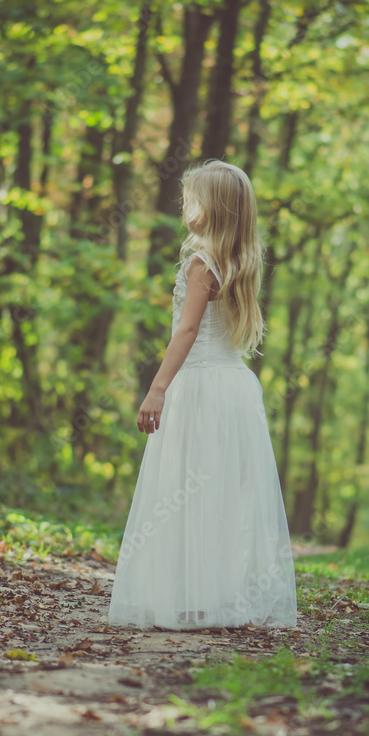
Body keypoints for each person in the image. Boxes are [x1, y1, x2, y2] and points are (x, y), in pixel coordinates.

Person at [107, 159, 297, 631]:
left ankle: (192, 599)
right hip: (233, 385)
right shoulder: (240, 263)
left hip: (199, 385)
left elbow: (188, 329)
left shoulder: (201, 263)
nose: (184, 204)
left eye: (192, 197)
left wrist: (157, 388)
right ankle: (218, 596)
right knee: (223, 494)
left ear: (211, 208)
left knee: (187, 489)